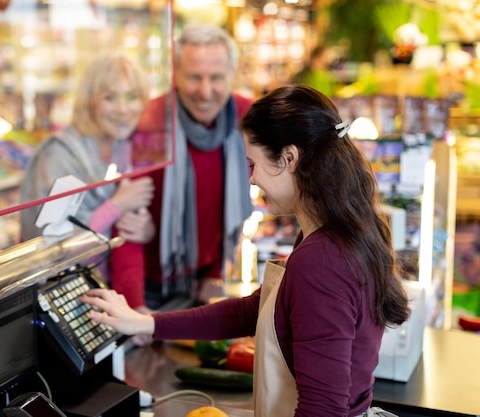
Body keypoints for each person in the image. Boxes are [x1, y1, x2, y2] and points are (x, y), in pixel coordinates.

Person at [80, 84, 411, 416]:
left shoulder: (321, 262)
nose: (251, 180)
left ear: (290, 158)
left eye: (253, 164)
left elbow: (322, 410)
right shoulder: (334, 234)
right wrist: (146, 323)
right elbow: (255, 311)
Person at [112, 23, 254, 310]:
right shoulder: (149, 123)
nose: (205, 91)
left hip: (205, 281)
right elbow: (128, 225)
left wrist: (215, 272)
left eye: (216, 78)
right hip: (149, 286)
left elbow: (235, 202)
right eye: (193, 77)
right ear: (175, 75)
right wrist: (134, 305)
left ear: (232, 76)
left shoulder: (246, 117)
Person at [20, 52, 155, 311]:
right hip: (61, 303)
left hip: (108, 302)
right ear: (90, 102)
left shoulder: (125, 147)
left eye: (132, 97)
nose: (123, 109)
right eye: (110, 97)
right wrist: (116, 206)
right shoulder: (58, 153)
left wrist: (146, 229)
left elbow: (122, 235)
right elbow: (53, 246)